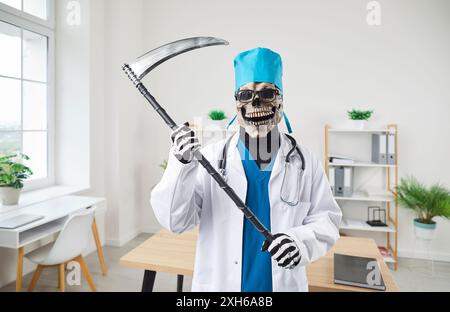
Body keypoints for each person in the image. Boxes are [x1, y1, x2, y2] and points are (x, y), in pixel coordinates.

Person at [151, 47, 342, 292]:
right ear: (235, 104)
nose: (255, 102)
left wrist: (299, 243)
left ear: (281, 100)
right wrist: (181, 164)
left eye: (267, 93)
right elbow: (174, 222)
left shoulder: (305, 162)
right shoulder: (211, 158)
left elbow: (327, 219)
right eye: (245, 95)